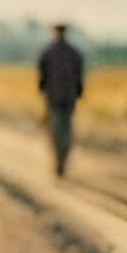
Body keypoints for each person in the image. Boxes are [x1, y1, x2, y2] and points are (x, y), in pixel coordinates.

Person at [37, 23, 84, 176]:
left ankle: (60, 161)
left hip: (55, 97)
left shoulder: (48, 52)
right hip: (67, 97)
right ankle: (61, 160)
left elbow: (41, 76)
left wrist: (43, 90)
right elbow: (79, 76)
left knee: (57, 130)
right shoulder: (74, 53)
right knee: (65, 130)